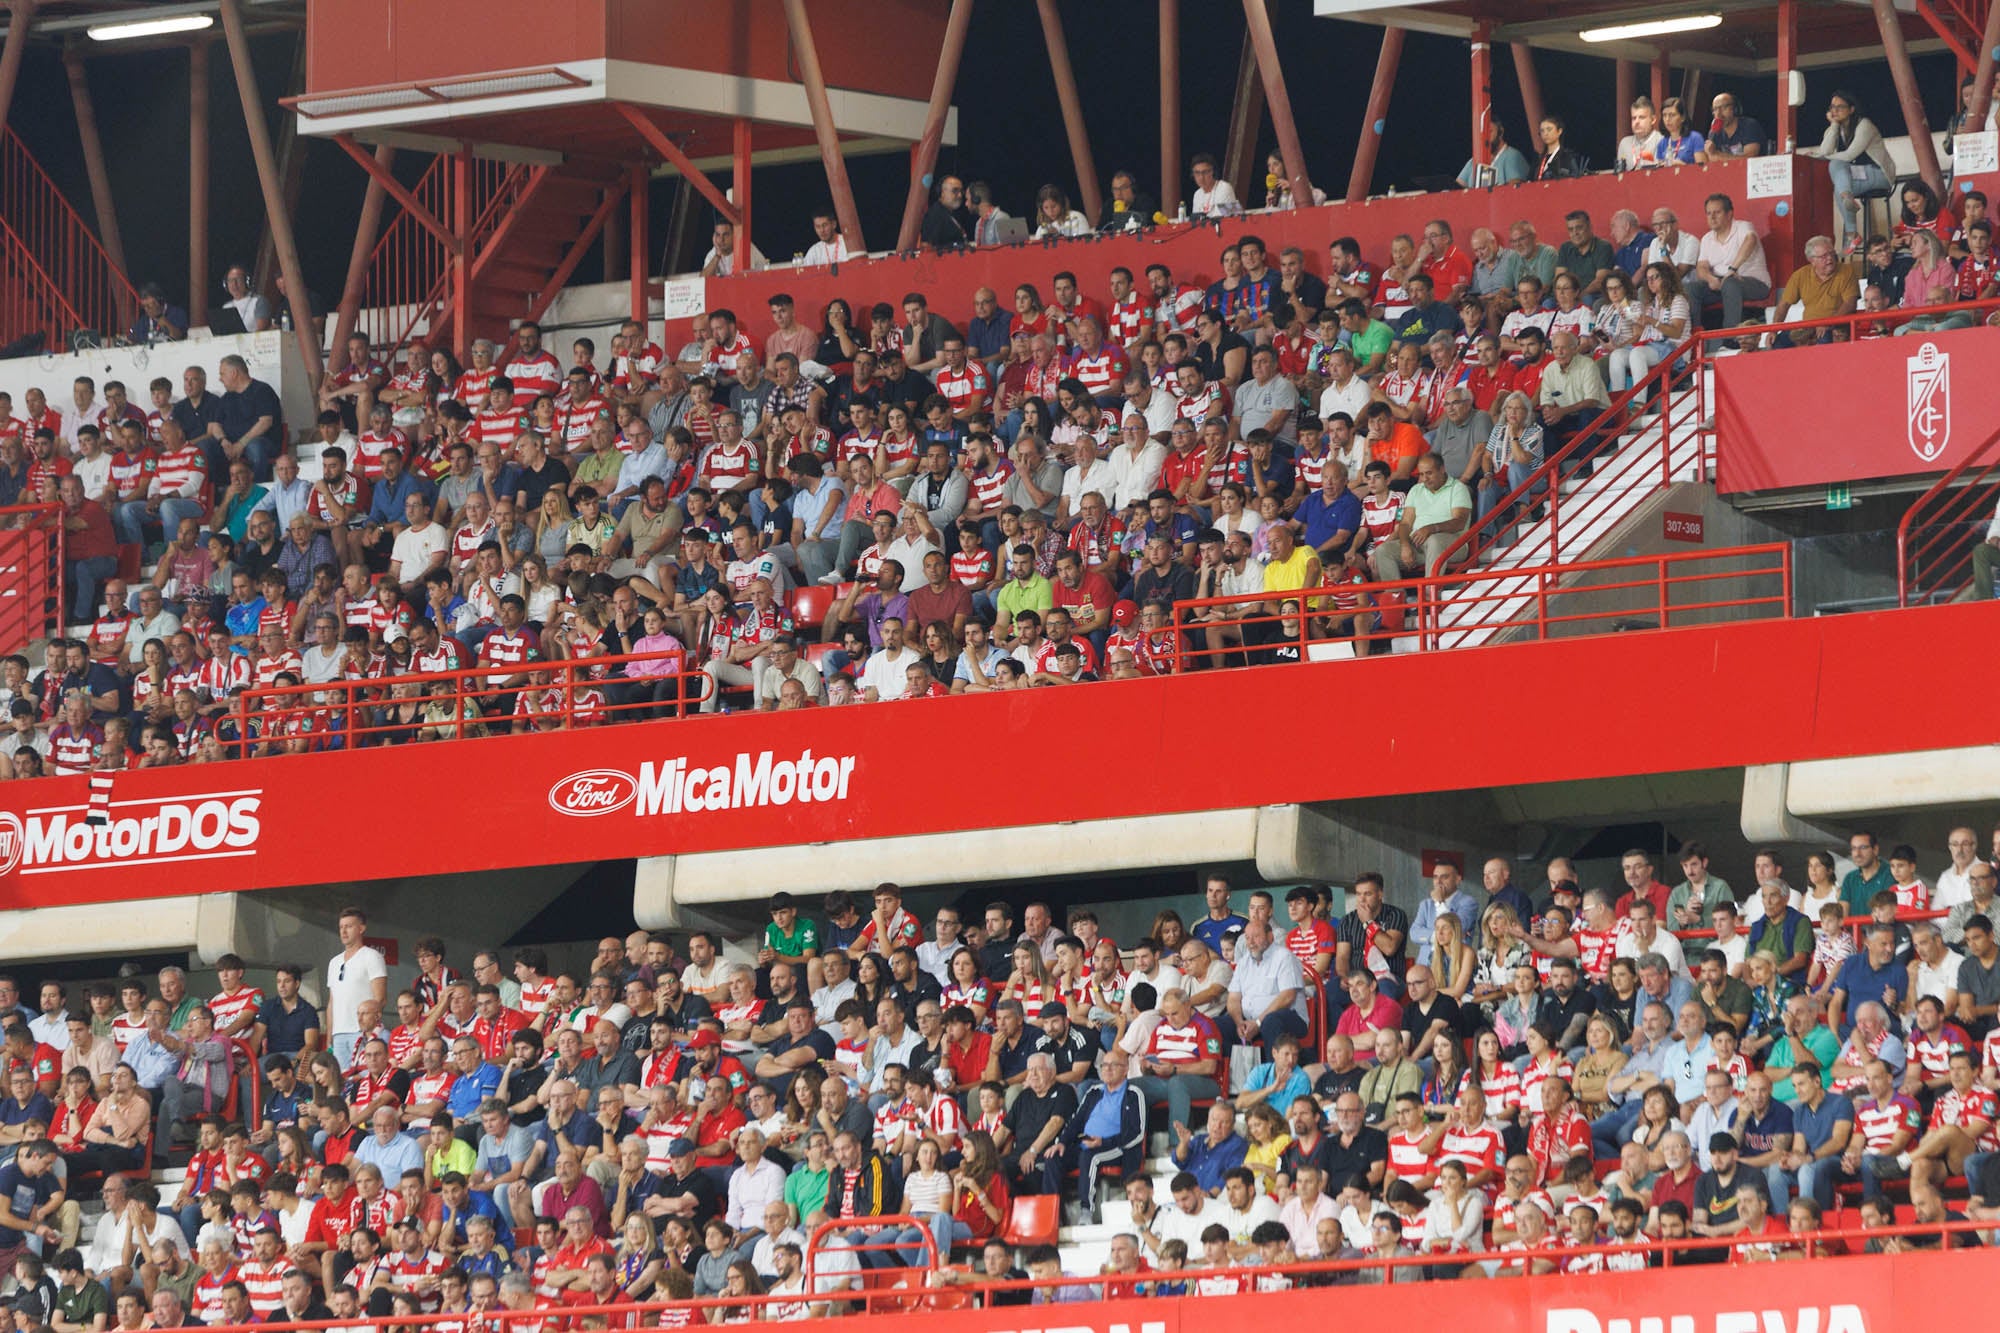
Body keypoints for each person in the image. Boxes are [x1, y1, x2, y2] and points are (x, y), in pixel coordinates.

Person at [1686, 193, 1772, 331]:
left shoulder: (1743, 227)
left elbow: (1750, 240)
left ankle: (1730, 337)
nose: (1712, 217)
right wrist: (1710, 279)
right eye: (1708, 213)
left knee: (1730, 283)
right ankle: (1695, 334)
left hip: (1754, 283)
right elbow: (1701, 267)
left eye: (1717, 212)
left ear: (1729, 214)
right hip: (1721, 283)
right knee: (1691, 289)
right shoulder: (1707, 239)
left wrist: (1733, 269)